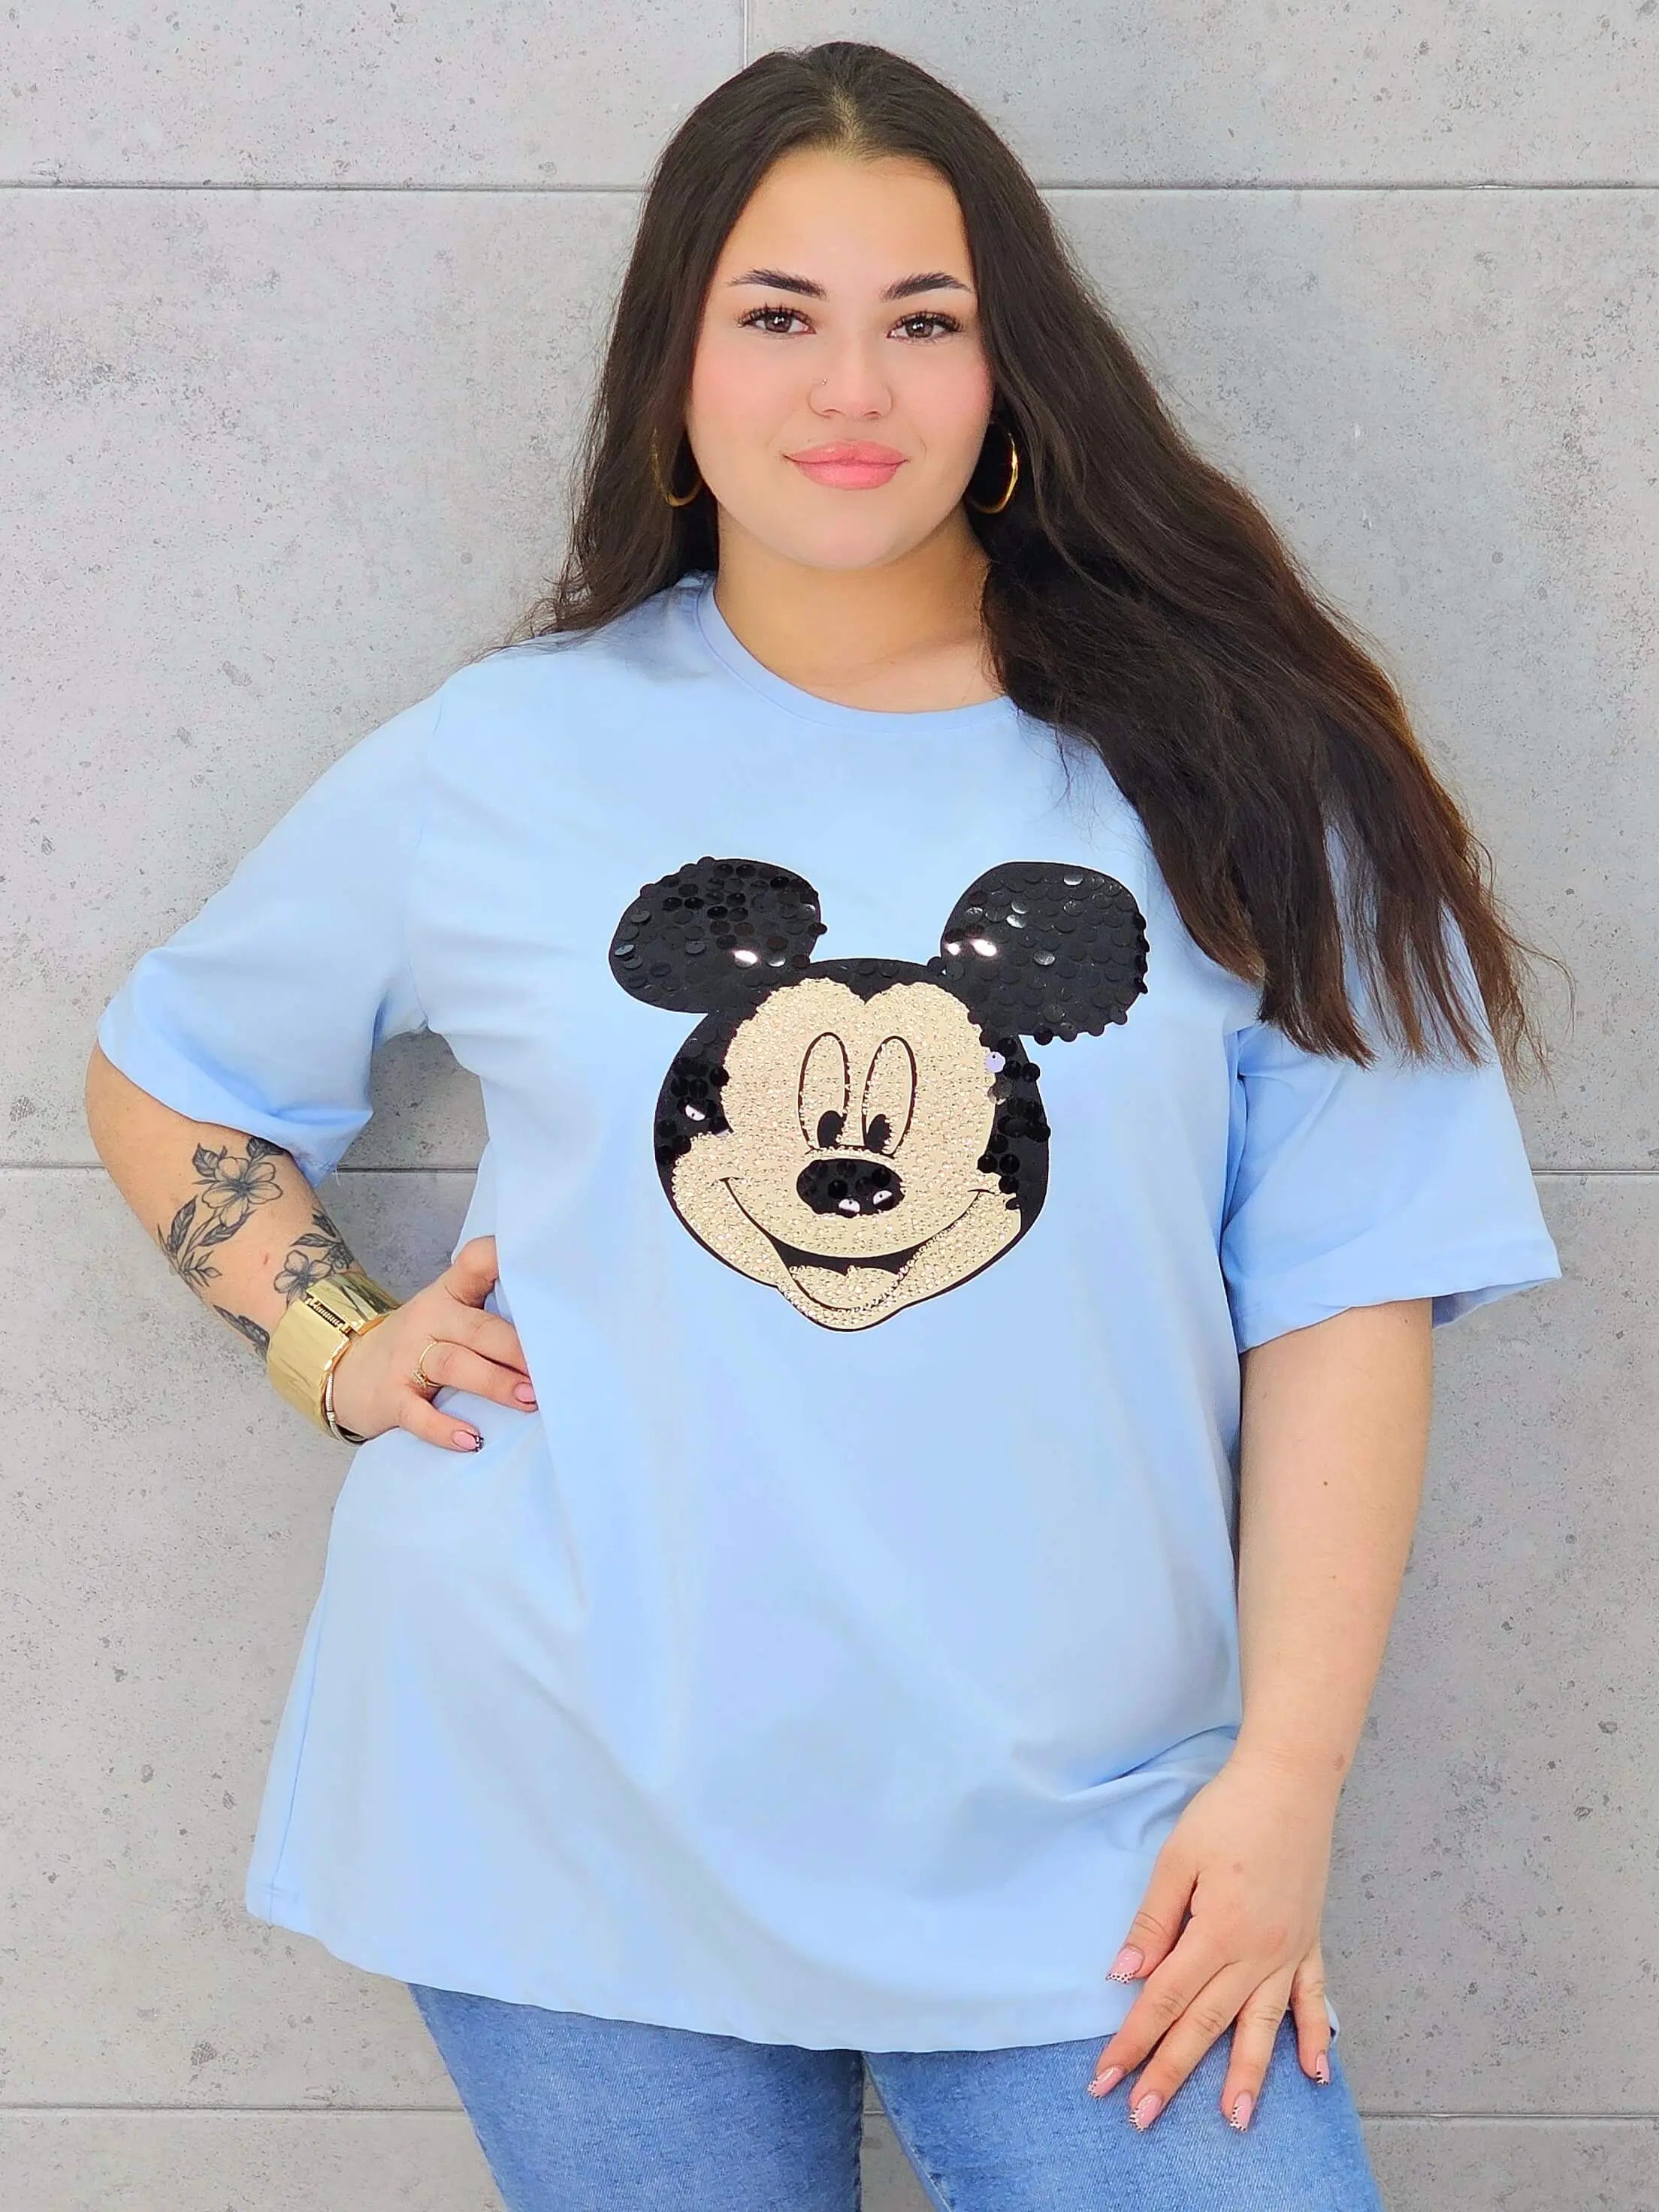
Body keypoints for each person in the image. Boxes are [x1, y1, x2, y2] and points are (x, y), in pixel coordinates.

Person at [86, 38, 1564, 2212]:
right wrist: (332, 1338)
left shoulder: (1249, 766)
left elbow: (1354, 1292)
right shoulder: (506, 756)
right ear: (673, 367)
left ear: (1011, 368)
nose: (849, 389)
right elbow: (171, 1068)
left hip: (1092, 1833)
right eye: (777, 315)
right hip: (563, 1782)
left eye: (924, 320)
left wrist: (1288, 1781)